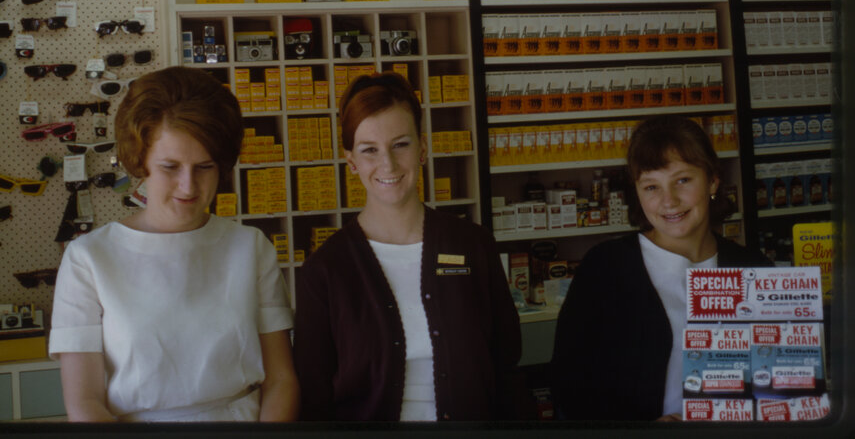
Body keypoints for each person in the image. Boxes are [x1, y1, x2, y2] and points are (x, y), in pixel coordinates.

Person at [48, 66, 299, 422]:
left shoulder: (251, 248)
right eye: (170, 167)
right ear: (140, 160)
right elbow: (85, 403)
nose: (188, 186)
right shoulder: (88, 259)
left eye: (205, 167)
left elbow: (281, 380)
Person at [292, 71, 525, 421]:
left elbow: (506, 362)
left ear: (423, 148)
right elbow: (314, 396)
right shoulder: (325, 271)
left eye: (400, 144)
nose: (387, 164)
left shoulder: (473, 246)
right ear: (351, 161)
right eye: (369, 150)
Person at [550, 115, 771, 421]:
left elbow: (782, 382)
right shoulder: (605, 268)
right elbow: (569, 387)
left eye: (682, 180)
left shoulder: (755, 268)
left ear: (712, 181)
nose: (669, 201)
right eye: (651, 186)